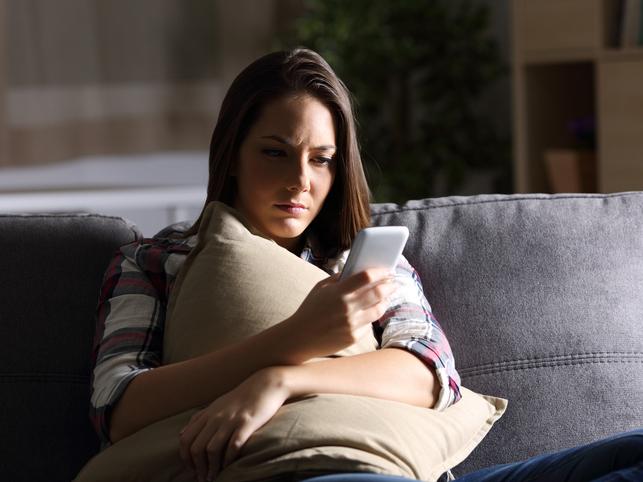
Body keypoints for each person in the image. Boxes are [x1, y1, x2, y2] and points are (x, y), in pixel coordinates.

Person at [89, 48, 642, 482]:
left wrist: (281, 380)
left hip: (399, 466)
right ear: (232, 155)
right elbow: (118, 405)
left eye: (321, 159)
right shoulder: (155, 261)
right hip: (304, 471)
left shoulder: (358, 260)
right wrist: (294, 337)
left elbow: (430, 374)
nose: (301, 180)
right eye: (275, 152)